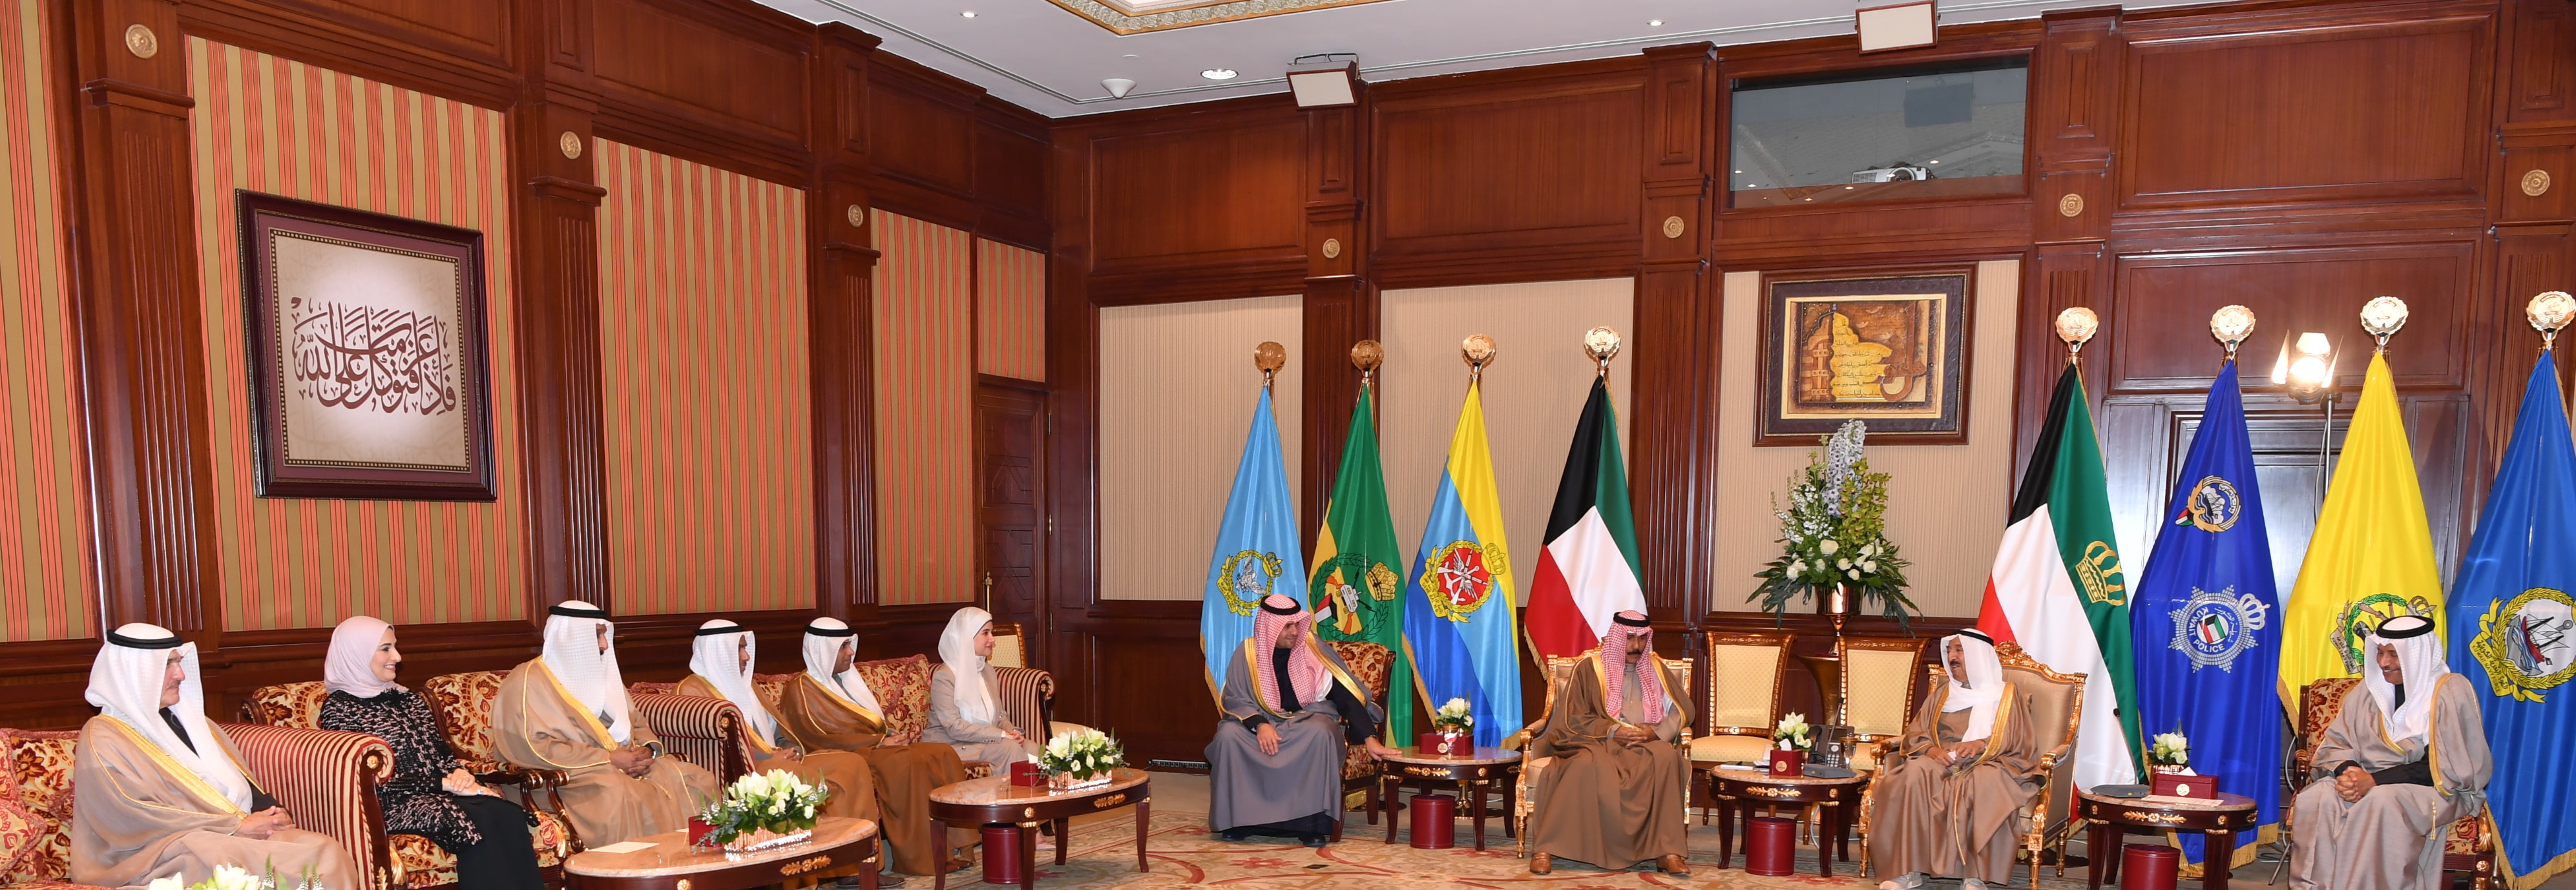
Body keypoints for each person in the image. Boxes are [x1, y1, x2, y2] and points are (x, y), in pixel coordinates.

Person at [70, 623, 361, 889]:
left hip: (227, 832)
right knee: (225, 861)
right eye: (168, 664)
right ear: (134, 672)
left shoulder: (193, 721)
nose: (180, 675)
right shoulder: (104, 735)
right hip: (153, 853)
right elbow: (131, 813)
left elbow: (238, 780)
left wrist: (272, 813)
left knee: (324, 851)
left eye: (179, 662)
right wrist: (235, 828)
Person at [317, 617, 543, 890]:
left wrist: (460, 775)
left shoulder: (408, 698)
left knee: (506, 814)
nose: (397, 657)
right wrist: (444, 784)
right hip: (387, 802)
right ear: (356, 654)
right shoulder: (340, 709)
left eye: (395, 647)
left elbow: (442, 754)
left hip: (438, 791)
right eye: (386, 649)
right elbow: (365, 777)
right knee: (477, 820)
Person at [677, 619, 890, 887]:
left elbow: (776, 729)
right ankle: (799, 875)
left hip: (776, 758)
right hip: (742, 769)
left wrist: (789, 748)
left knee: (851, 764)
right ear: (718, 651)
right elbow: (713, 749)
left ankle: (855, 865)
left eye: (745, 648)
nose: (746, 657)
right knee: (791, 775)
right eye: (739, 649)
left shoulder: (748, 685)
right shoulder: (690, 692)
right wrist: (768, 759)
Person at [2289, 614, 2491, 890]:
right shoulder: (2368, 691)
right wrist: (2350, 773)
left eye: (2394, 655)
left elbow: (2444, 766)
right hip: (2368, 780)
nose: (2384, 663)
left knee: (2381, 801)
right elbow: (2337, 743)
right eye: (2381, 653)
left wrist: (2373, 781)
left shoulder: (2449, 691)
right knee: (2318, 796)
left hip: (2436, 789)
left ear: (2417, 655)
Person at [491, 601, 718, 845]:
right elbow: (533, 747)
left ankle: (695, 862)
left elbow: (636, 723)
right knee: (615, 790)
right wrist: (609, 759)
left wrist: (646, 751)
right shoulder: (528, 680)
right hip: (566, 778)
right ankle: (635, 866)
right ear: (571, 638)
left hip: (620, 766)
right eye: (597, 635)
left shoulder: (603, 676)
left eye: (604, 635)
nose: (604, 645)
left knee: (696, 779)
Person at [775, 617, 971, 878]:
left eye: (850, 645)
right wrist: (878, 742)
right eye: (843, 647)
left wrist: (889, 734)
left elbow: (867, 721)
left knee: (941, 752)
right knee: (905, 762)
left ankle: (952, 847)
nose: (851, 652)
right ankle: (921, 859)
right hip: (844, 754)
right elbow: (818, 737)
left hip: (871, 746)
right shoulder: (800, 690)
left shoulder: (844, 680)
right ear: (823, 650)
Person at [1204, 594, 1395, 847]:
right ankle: (1240, 823)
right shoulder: (1248, 653)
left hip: (1305, 722)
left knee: (1320, 732)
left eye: (1297, 624)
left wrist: (1370, 738)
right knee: (1228, 737)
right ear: (1270, 626)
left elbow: (1344, 695)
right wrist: (1260, 724)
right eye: (1287, 626)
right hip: (1260, 722)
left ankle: (1309, 825)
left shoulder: (1312, 649)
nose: (1295, 631)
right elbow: (1235, 697)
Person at [1868, 629, 2040, 890]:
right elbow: (1916, 733)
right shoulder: (1943, 694)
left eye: (1959, 650)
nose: (1952, 657)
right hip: (1943, 760)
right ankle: (1907, 871)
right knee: (1913, 774)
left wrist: (1981, 744)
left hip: (1991, 761)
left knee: (1984, 782)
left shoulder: (2007, 694)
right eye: (1949, 651)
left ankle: (1976, 875)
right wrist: (1930, 751)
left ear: (1978, 655)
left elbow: (2018, 738)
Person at [1524, 611, 1692, 876]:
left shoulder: (1656, 669)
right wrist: (1613, 730)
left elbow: (1681, 710)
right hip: (1599, 740)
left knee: (1667, 758)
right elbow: (1575, 716)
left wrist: (1657, 733)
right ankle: (1546, 848)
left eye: (1642, 639)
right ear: (1616, 637)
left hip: (1645, 741)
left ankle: (1667, 852)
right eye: (1629, 638)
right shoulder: (1590, 668)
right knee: (1583, 765)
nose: (1636, 646)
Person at [925, 607, 1040, 764]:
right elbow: (954, 727)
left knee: (1031, 747)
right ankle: (1010, 782)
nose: (992, 639)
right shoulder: (945, 676)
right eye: (985, 633)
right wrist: (1001, 735)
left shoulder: (988, 671)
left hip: (983, 741)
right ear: (966, 637)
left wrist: (1010, 731)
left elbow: (1000, 716)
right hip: (952, 745)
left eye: (992, 633)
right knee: (1009, 748)